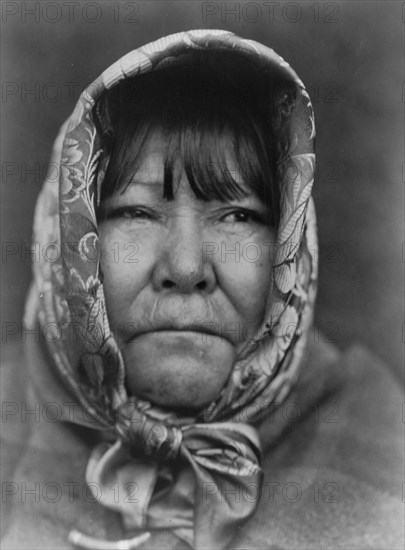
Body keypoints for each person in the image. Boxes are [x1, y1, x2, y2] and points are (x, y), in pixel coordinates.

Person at [1, 29, 403, 550]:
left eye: (237, 214)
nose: (187, 267)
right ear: (70, 240)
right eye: (136, 212)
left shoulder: (381, 446)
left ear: (289, 248)